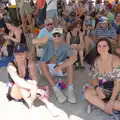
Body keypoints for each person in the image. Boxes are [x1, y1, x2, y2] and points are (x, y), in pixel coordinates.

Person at [6, 43, 59, 116]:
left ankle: (49, 104)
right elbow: (18, 81)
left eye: (22, 52)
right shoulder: (11, 66)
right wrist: (34, 88)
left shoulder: (29, 62)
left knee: (30, 82)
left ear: (26, 53)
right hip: (15, 92)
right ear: (14, 54)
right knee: (21, 84)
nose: (20, 55)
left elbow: (34, 77)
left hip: (28, 89)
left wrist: (34, 85)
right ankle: (31, 105)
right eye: (17, 53)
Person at [32, 28, 77, 104]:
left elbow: (74, 58)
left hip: (59, 68)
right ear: (52, 36)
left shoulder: (66, 45)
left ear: (62, 36)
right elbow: (33, 41)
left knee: (70, 63)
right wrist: (41, 40)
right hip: (47, 69)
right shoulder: (48, 42)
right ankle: (56, 89)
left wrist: (62, 66)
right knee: (42, 63)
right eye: (54, 35)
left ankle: (70, 90)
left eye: (59, 35)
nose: (57, 37)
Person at [84, 37, 120, 116]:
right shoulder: (96, 60)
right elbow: (95, 78)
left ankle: (102, 104)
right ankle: (110, 111)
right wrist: (98, 87)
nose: (101, 48)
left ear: (108, 48)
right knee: (87, 93)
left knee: (116, 102)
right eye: (99, 46)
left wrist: (111, 100)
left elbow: (117, 85)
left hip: (117, 88)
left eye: (104, 46)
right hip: (105, 87)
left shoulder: (115, 61)